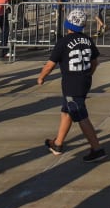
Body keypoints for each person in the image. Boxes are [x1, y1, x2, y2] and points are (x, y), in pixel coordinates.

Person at [38, 8, 106, 161]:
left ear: (68, 24)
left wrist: (41, 77)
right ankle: (58, 143)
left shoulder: (63, 42)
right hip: (84, 81)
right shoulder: (87, 40)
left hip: (71, 84)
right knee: (67, 112)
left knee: (80, 115)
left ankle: (97, 149)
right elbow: (95, 62)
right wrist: (88, 74)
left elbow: (50, 65)